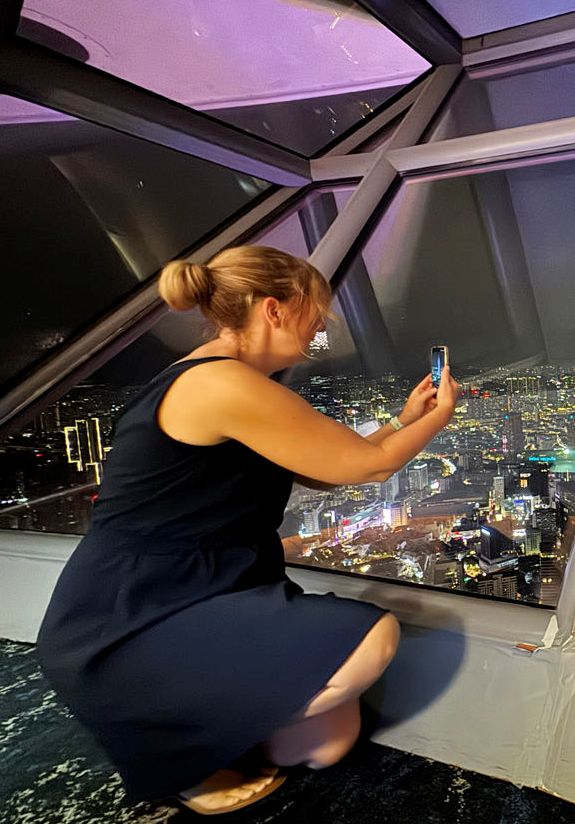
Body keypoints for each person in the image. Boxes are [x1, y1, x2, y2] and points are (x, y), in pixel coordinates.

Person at [36, 245, 459, 815]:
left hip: (197, 586)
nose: (318, 332)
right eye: (315, 317)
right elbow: (368, 467)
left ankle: (217, 716)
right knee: (375, 637)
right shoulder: (220, 385)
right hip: (134, 613)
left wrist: (402, 422)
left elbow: (329, 470)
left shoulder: (225, 380)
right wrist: (438, 419)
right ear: (273, 309)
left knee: (325, 746)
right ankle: (175, 743)